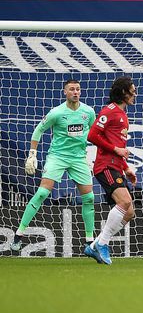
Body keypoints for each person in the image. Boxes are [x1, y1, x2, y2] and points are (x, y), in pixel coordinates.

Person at [10, 79, 96, 252]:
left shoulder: (88, 112)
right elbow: (38, 130)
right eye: (72, 89)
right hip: (57, 157)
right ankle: (18, 235)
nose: (75, 92)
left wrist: (96, 155)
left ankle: (89, 242)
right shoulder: (56, 113)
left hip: (78, 158)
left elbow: (95, 134)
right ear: (65, 92)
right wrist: (32, 155)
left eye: (78, 89)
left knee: (89, 198)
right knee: (42, 192)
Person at [83, 77, 138, 265]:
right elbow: (92, 135)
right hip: (105, 166)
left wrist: (126, 168)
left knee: (129, 211)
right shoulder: (110, 111)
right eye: (132, 90)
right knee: (125, 201)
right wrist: (116, 151)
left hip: (116, 167)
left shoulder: (123, 115)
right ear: (123, 92)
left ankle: (94, 246)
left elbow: (118, 145)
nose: (135, 94)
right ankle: (103, 244)